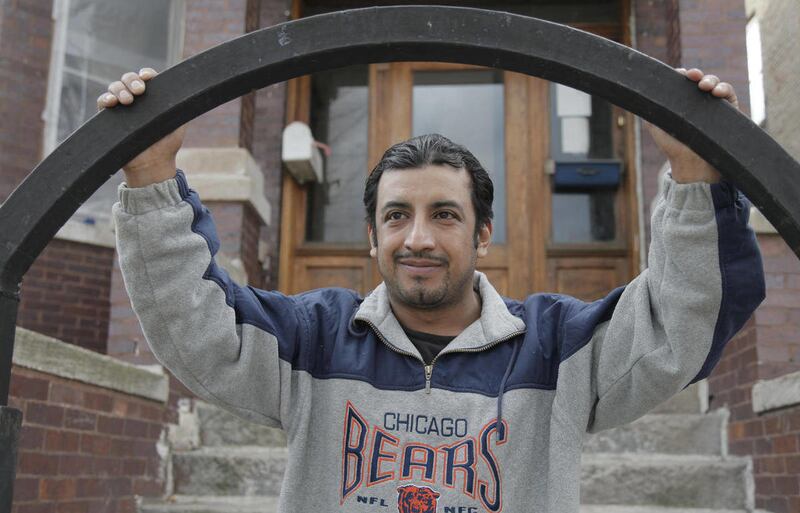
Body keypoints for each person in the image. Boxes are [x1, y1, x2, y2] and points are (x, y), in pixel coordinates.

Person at [102, 66, 764, 513]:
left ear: (482, 235)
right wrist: (153, 174)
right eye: (397, 216)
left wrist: (694, 173)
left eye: (445, 214)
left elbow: (678, 326)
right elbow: (195, 328)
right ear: (372, 234)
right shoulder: (316, 336)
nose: (417, 237)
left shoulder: (556, 347)